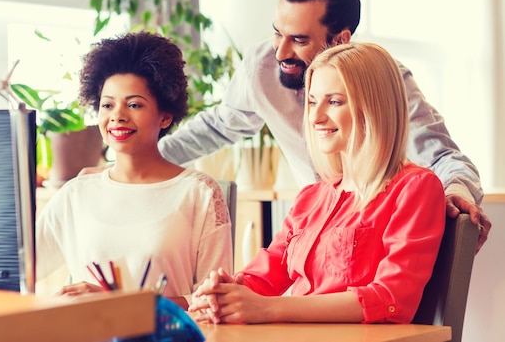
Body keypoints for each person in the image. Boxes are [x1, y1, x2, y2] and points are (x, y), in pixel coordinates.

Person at [156, 0, 490, 251]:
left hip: (374, 244)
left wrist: (455, 193)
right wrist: (143, 157)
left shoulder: (385, 83)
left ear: (341, 39)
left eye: (299, 39)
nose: (281, 52)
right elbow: (218, 126)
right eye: (277, 32)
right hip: (312, 235)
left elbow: (445, 158)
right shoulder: (262, 68)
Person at [187, 42, 446, 324]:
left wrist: (269, 308)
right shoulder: (312, 196)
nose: (314, 117)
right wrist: (225, 293)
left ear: (374, 106)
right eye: (312, 101)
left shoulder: (415, 188)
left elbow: (391, 299)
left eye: (333, 101)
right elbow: (264, 276)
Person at [36, 31, 233, 308]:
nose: (117, 115)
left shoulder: (199, 193)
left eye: (134, 104)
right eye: (108, 105)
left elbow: (214, 300)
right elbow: (21, 271)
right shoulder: (76, 194)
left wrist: (122, 304)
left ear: (165, 115)